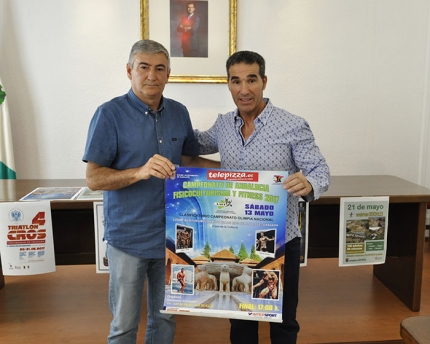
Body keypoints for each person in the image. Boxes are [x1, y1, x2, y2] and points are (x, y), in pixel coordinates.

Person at [194, 50, 330, 344]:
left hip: (281, 240)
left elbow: (321, 171)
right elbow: (194, 144)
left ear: (264, 81)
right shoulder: (223, 126)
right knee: (241, 318)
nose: (244, 90)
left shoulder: (292, 125)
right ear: (228, 84)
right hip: (236, 241)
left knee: (282, 318)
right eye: (236, 81)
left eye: (251, 80)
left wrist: (308, 182)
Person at [82, 39, 212, 344]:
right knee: (124, 325)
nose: (151, 75)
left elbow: (189, 160)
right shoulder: (108, 114)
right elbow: (94, 178)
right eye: (144, 67)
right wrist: (140, 171)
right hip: (128, 237)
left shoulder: (179, 112)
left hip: (173, 237)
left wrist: (240, 172)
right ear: (129, 71)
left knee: (165, 320)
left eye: (160, 68)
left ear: (168, 74)